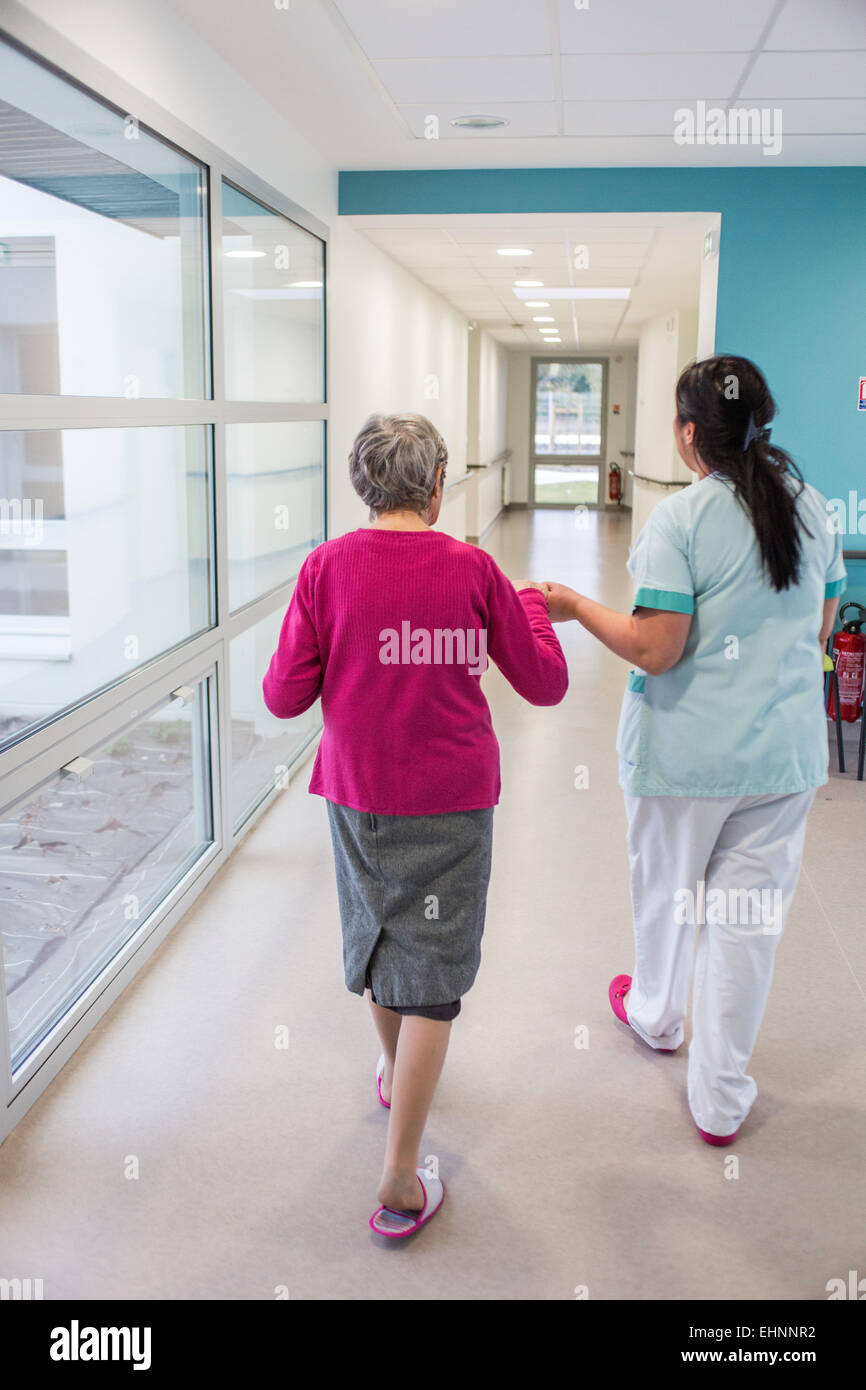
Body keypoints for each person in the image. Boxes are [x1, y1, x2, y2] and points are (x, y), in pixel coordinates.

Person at [262, 413, 568, 1235]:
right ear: (437, 486)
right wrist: (534, 610)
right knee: (433, 972)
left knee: (380, 934)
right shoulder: (472, 568)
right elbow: (544, 684)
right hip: (452, 802)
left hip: (358, 797)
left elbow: (283, 696)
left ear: (364, 486)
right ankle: (400, 1176)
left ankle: (398, 1073)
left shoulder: (324, 568)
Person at [544, 355, 846, 1145]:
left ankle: (657, 1016)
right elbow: (819, 625)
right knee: (746, 928)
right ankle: (719, 1101)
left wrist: (574, 605)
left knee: (668, 899)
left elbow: (656, 649)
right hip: (783, 763)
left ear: (688, 435)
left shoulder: (680, 521)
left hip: (686, 761)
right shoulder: (813, 507)